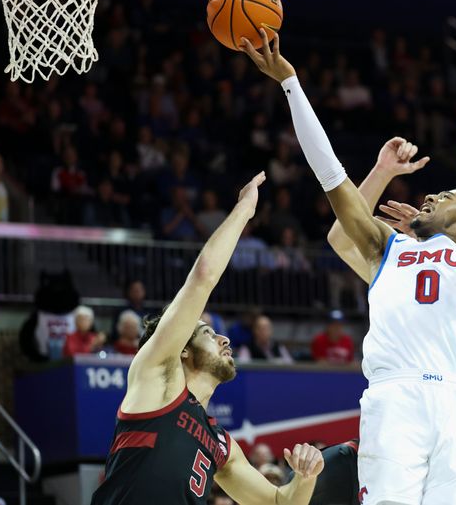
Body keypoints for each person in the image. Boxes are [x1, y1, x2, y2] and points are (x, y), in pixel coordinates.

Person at [245, 30, 456, 505]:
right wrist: (291, 83)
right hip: (396, 397)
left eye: (446, 197)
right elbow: (332, 178)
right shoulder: (387, 247)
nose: (430, 195)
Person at [305, 138, 456, 505]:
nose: (433, 198)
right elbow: (341, 238)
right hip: (403, 405)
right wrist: (383, 172)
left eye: (446, 196)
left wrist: (435, 244)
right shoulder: (401, 264)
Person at [90, 172, 324, 504]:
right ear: (182, 350)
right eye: (207, 333)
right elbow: (202, 278)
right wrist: (244, 210)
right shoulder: (157, 377)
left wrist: (304, 477)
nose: (224, 339)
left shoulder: (221, 444)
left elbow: (280, 503)